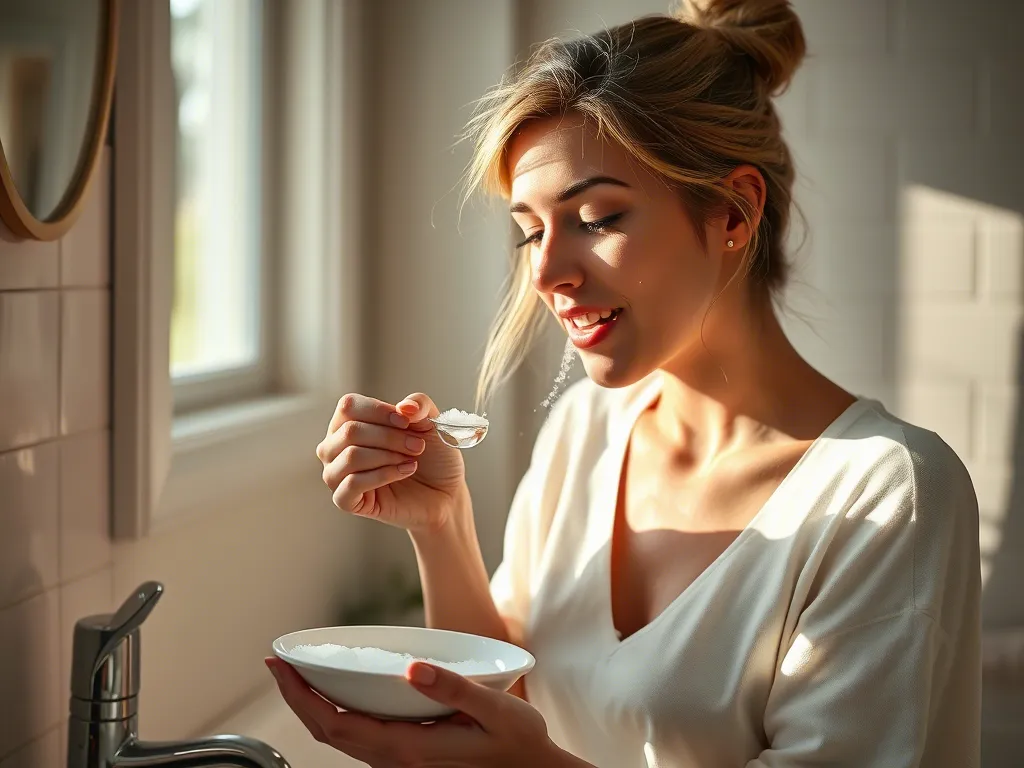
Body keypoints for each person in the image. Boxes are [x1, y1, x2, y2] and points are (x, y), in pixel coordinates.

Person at [265, 1, 982, 765]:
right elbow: (505, 702)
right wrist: (440, 526)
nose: (545, 274)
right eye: (530, 231)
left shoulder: (888, 495)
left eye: (598, 217)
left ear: (734, 212)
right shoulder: (587, 428)